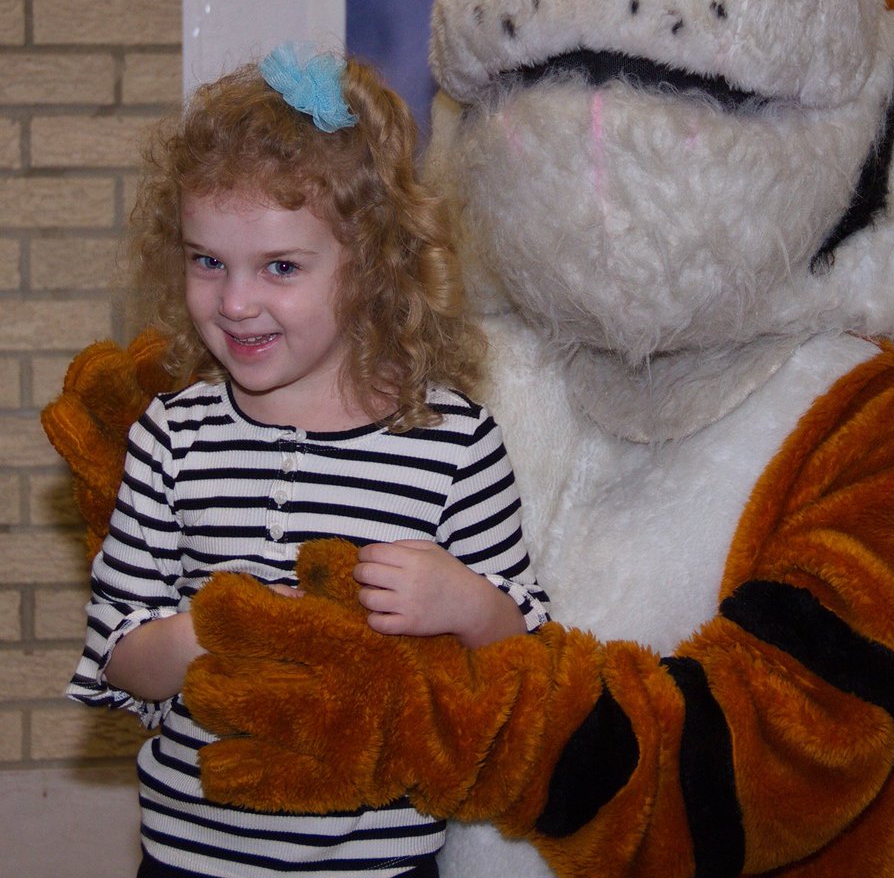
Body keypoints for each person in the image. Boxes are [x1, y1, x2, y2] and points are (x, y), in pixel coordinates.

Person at [66, 44, 550, 878]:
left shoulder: (451, 442)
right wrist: (213, 630)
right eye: (206, 261)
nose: (235, 301)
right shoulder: (171, 438)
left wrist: (464, 602)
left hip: (383, 865)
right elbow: (120, 655)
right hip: (191, 859)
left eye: (280, 266)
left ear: (373, 267)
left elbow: (527, 655)